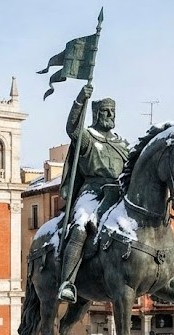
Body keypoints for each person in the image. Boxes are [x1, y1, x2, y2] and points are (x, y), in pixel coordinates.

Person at [56, 84, 129, 302]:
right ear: (96, 113)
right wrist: (80, 100)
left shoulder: (122, 144)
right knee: (80, 227)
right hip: (92, 192)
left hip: (117, 193)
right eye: (105, 111)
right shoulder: (88, 137)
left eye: (113, 111)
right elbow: (73, 129)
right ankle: (67, 283)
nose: (110, 115)